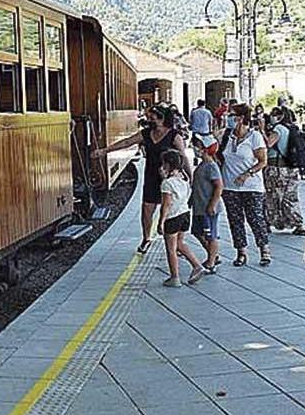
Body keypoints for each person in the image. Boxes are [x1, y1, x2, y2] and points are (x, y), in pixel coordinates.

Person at [93, 103, 190, 254]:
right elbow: (127, 142)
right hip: (151, 176)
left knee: (175, 210)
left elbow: (183, 156)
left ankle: (178, 243)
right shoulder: (146, 133)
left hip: (171, 178)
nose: (149, 120)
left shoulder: (174, 135)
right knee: (147, 209)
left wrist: (190, 176)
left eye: (152, 118)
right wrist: (105, 151)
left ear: (161, 118)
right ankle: (146, 238)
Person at [219, 103, 271, 266]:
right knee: (235, 220)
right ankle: (241, 251)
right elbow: (219, 155)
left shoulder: (255, 136)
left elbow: (263, 161)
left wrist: (247, 174)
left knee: (255, 218)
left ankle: (264, 249)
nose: (228, 118)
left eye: (231, 115)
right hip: (229, 186)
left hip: (251, 186)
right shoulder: (226, 135)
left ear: (241, 118)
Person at [156, 149, 205, 287]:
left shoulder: (167, 184)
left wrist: (161, 222)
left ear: (168, 164)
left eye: (164, 163)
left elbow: (166, 204)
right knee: (180, 244)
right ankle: (197, 266)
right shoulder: (184, 179)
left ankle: (175, 277)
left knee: (171, 249)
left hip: (173, 217)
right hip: (185, 214)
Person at [264, 106, 305, 235]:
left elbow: (268, 144)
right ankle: (297, 223)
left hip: (276, 168)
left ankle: (270, 222)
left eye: (274, 114)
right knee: (290, 196)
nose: (271, 116)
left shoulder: (278, 129)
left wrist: (261, 131)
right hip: (290, 168)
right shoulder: (291, 128)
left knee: (273, 196)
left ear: (280, 116)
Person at [189, 133, 223, 273]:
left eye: (198, 146)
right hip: (199, 207)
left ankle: (211, 262)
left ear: (205, 149)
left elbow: (219, 186)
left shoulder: (211, 166)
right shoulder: (202, 165)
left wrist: (212, 204)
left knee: (211, 235)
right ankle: (213, 255)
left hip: (208, 208)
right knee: (197, 232)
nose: (195, 148)